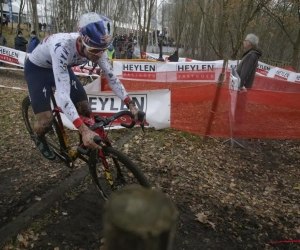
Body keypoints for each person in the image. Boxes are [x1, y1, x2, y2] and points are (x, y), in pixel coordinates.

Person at [24, 12, 145, 160]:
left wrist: (131, 105)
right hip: (38, 70)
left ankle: (83, 147)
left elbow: (112, 78)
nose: (99, 55)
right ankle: (39, 138)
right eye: (94, 50)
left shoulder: (98, 47)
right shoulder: (62, 47)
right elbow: (63, 96)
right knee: (46, 122)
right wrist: (83, 130)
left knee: (86, 109)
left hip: (62, 67)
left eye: (103, 50)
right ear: (81, 41)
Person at [234, 33, 262, 144]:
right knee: (238, 107)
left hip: (242, 87)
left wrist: (240, 85)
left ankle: (237, 130)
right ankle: (236, 128)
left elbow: (245, 72)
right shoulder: (250, 54)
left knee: (240, 107)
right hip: (242, 85)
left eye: (245, 40)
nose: (244, 42)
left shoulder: (251, 55)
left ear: (249, 43)